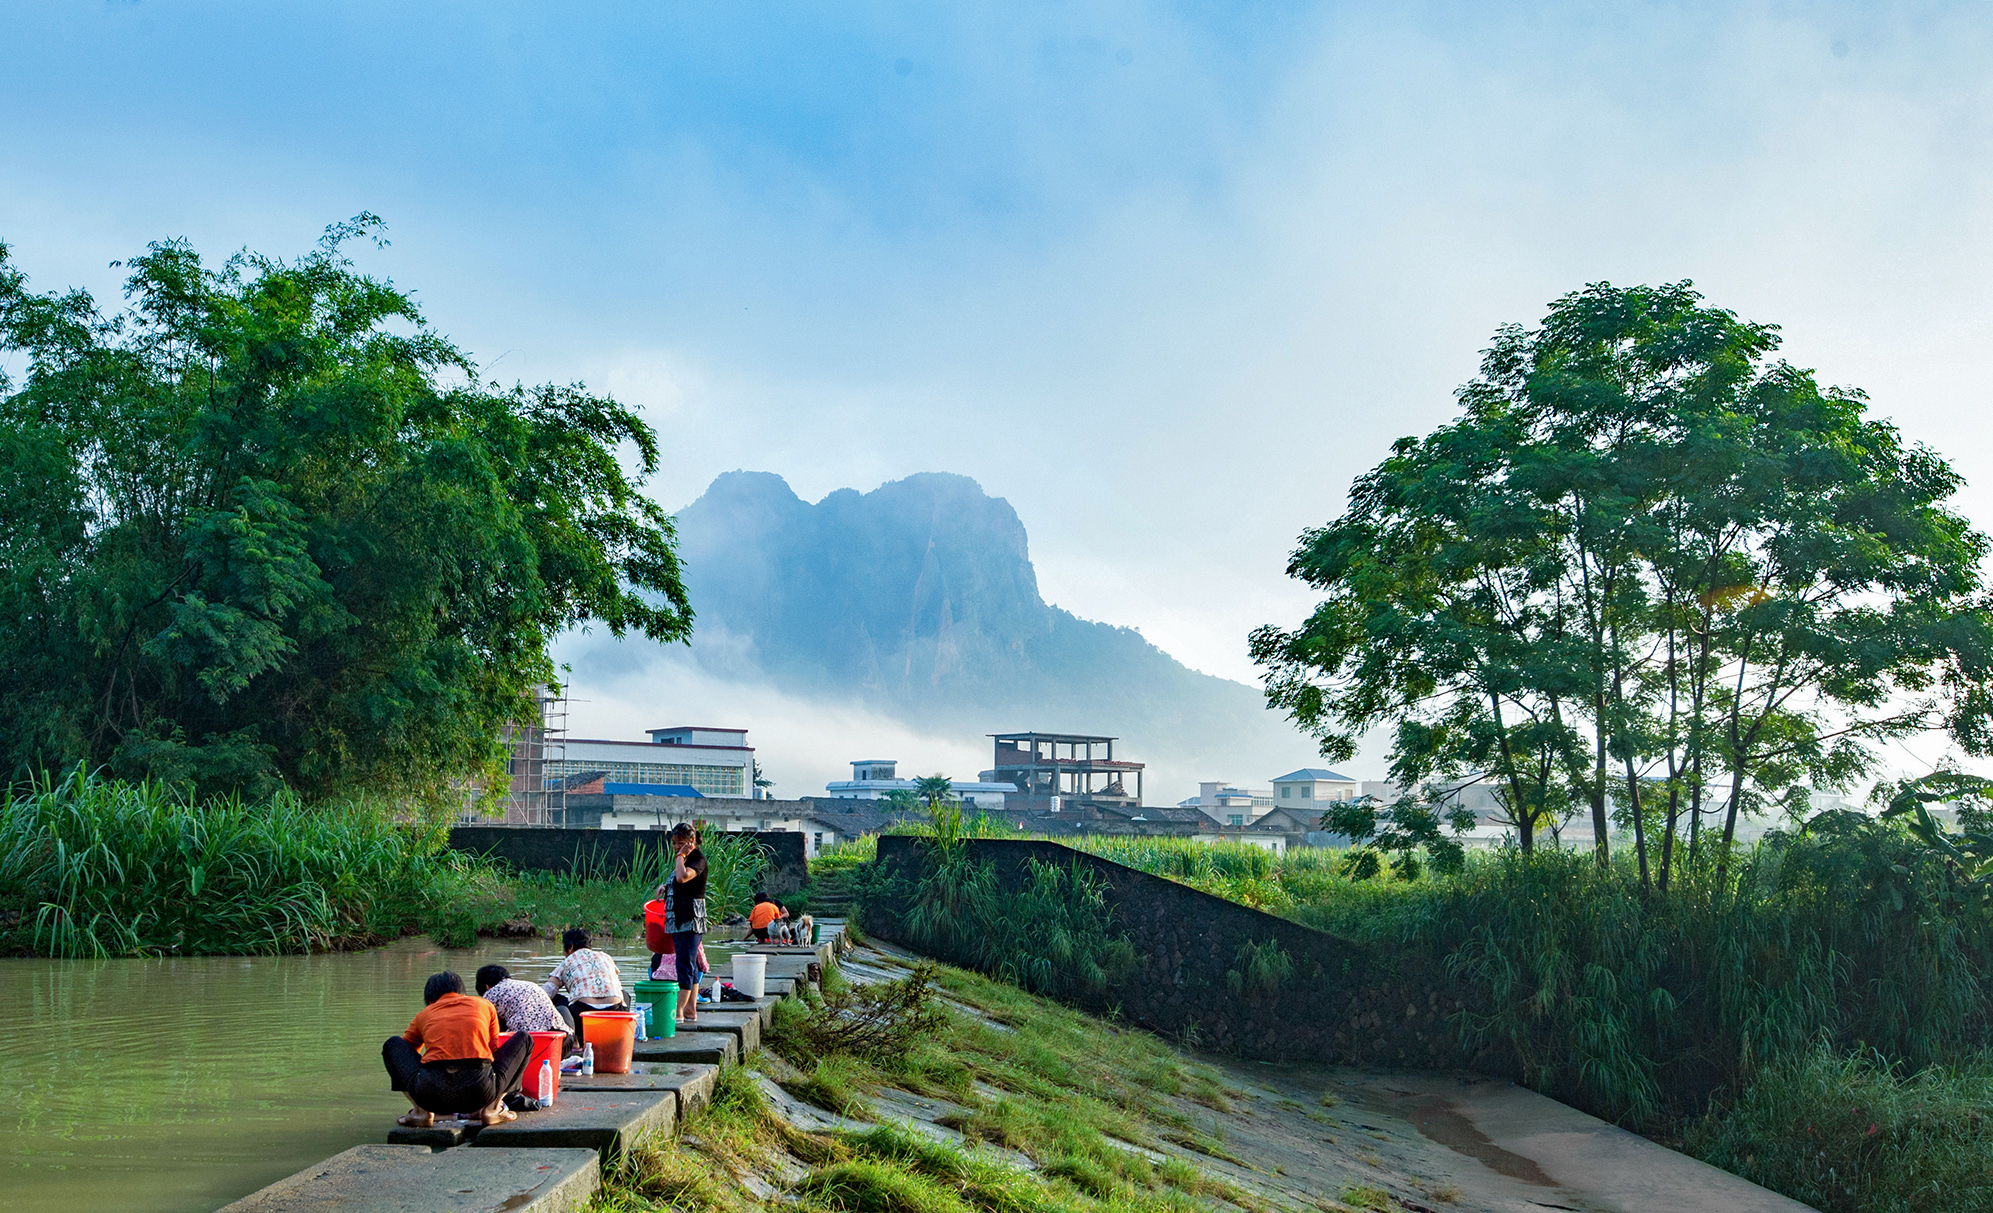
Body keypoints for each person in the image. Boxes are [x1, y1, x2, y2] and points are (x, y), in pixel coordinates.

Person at [382, 971, 529, 1128]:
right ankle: (492, 1110)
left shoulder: (423, 1015)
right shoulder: (484, 1005)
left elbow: (407, 1056)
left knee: (392, 1044)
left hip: (431, 1096)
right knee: (524, 1038)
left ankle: (421, 1112)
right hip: (480, 1093)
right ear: (462, 992)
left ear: (430, 998)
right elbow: (493, 1050)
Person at [542, 928, 627, 1041]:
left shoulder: (567, 961)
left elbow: (548, 990)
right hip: (615, 1013)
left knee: (556, 999)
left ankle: (573, 1038)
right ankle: (622, 1032)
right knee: (624, 995)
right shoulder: (606, 957)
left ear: (570, 947)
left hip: (583, 1015)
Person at [661, 823, 708, 1023]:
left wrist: (680, 855)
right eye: (673, 843)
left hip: (690, 918)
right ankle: (690, 1010)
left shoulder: (697, 860)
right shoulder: (685, 858)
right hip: (678, 917)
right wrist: (664, 887)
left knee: (685, 964)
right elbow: (676, 882)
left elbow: (682, 878)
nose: (676, 847)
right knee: (690, 963)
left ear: (691, 841)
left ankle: (678, 1012)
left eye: (680, 843)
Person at [476, 963, 571, 1048]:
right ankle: (575, 1043)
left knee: (491, 1020)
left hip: (527, 1046)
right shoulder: (528, 985)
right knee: (561, 1008)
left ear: (486, 986)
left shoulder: (490, 995)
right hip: (560, 1041)